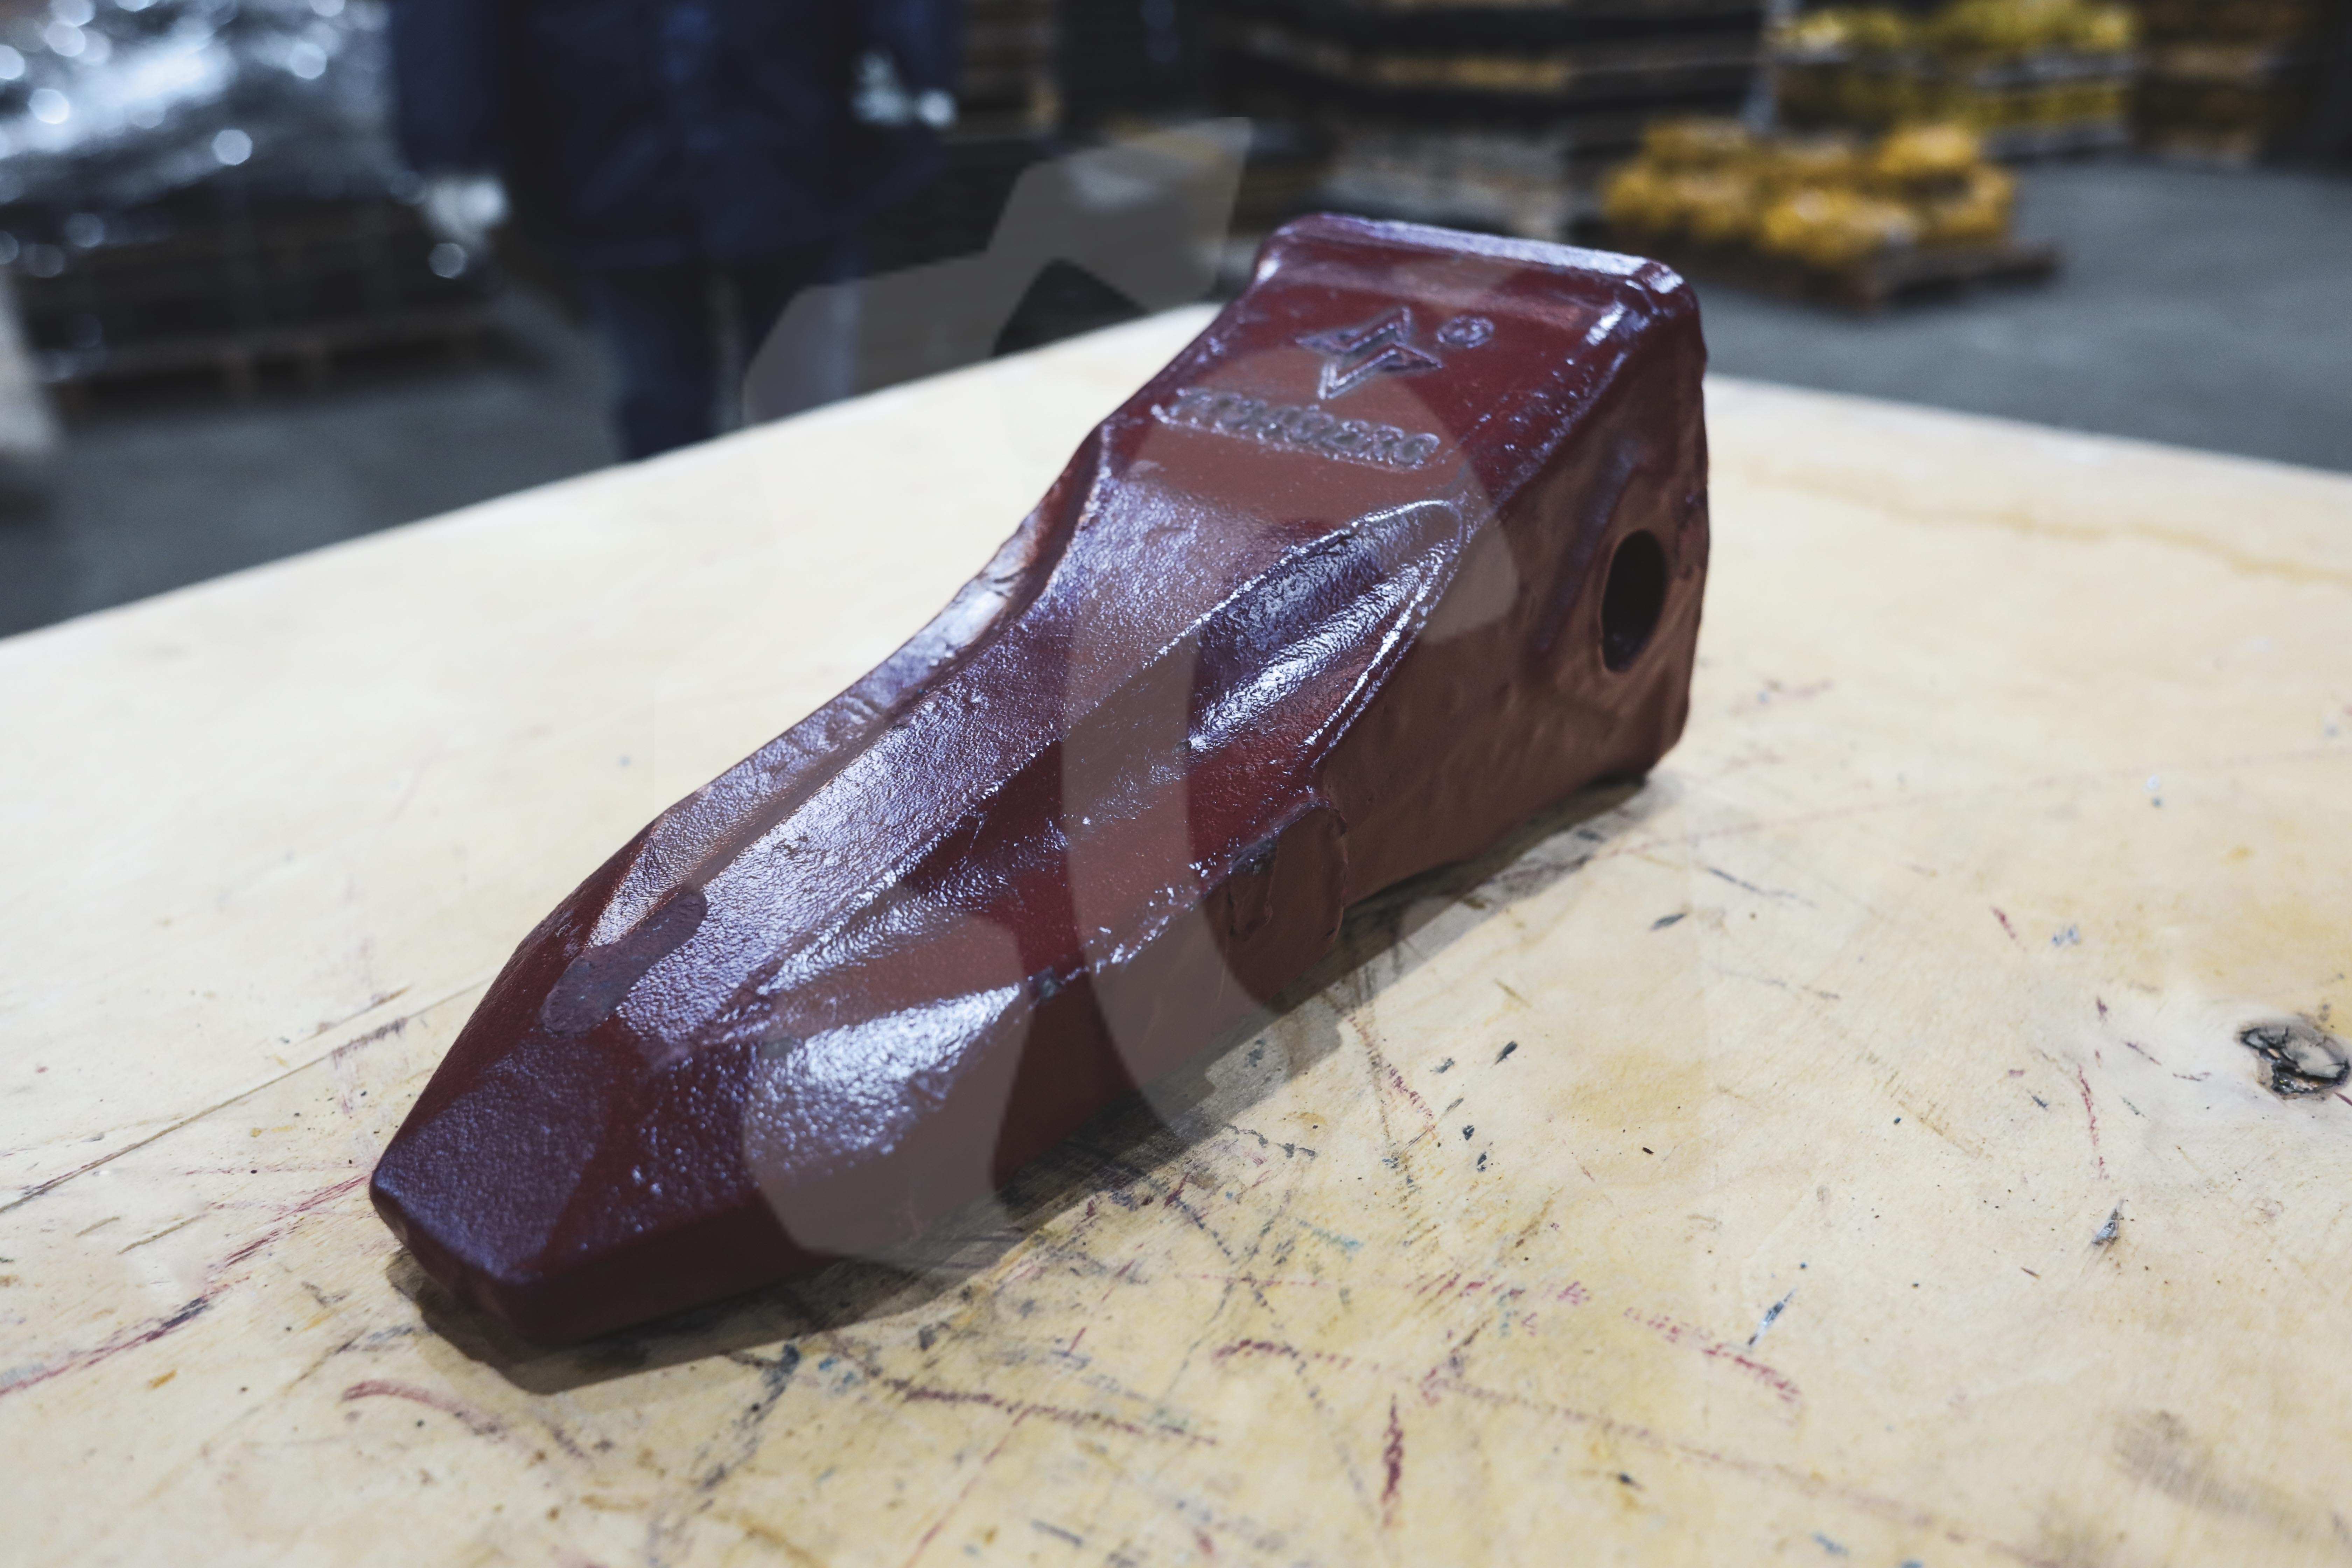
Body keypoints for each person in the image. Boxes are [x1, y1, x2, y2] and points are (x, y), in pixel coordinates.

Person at [389, 0, 958, 459]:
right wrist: (451, 137)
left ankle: (809, 530)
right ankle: (682, 543)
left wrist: (913, 50)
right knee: (662, 397)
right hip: (605, 136)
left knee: (806, 387)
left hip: (796, 117)